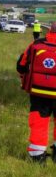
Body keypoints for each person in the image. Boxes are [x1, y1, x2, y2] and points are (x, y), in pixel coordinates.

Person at [17, 22, 56, 163]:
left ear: (50, 30)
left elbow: (21, 65)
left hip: (39, 91)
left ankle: (37, 156)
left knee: (39, 122)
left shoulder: (36, 44)